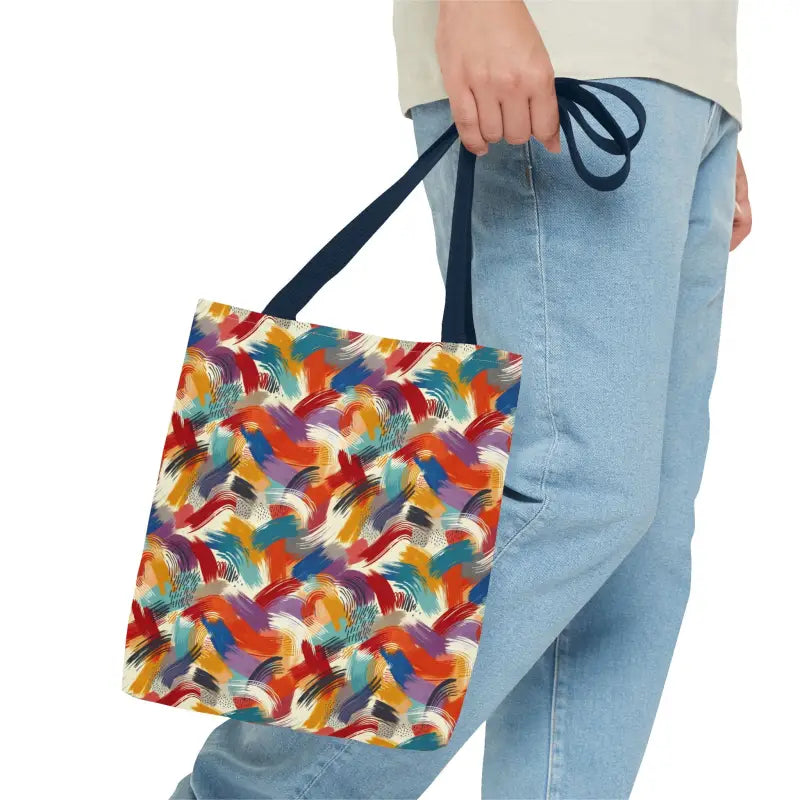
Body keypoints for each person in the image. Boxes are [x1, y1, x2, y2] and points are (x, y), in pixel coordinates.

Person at [173, 1, 752, 797]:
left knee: (634, 561)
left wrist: (703, 96)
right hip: (565, 44)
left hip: (681, 77)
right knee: (570, 491)